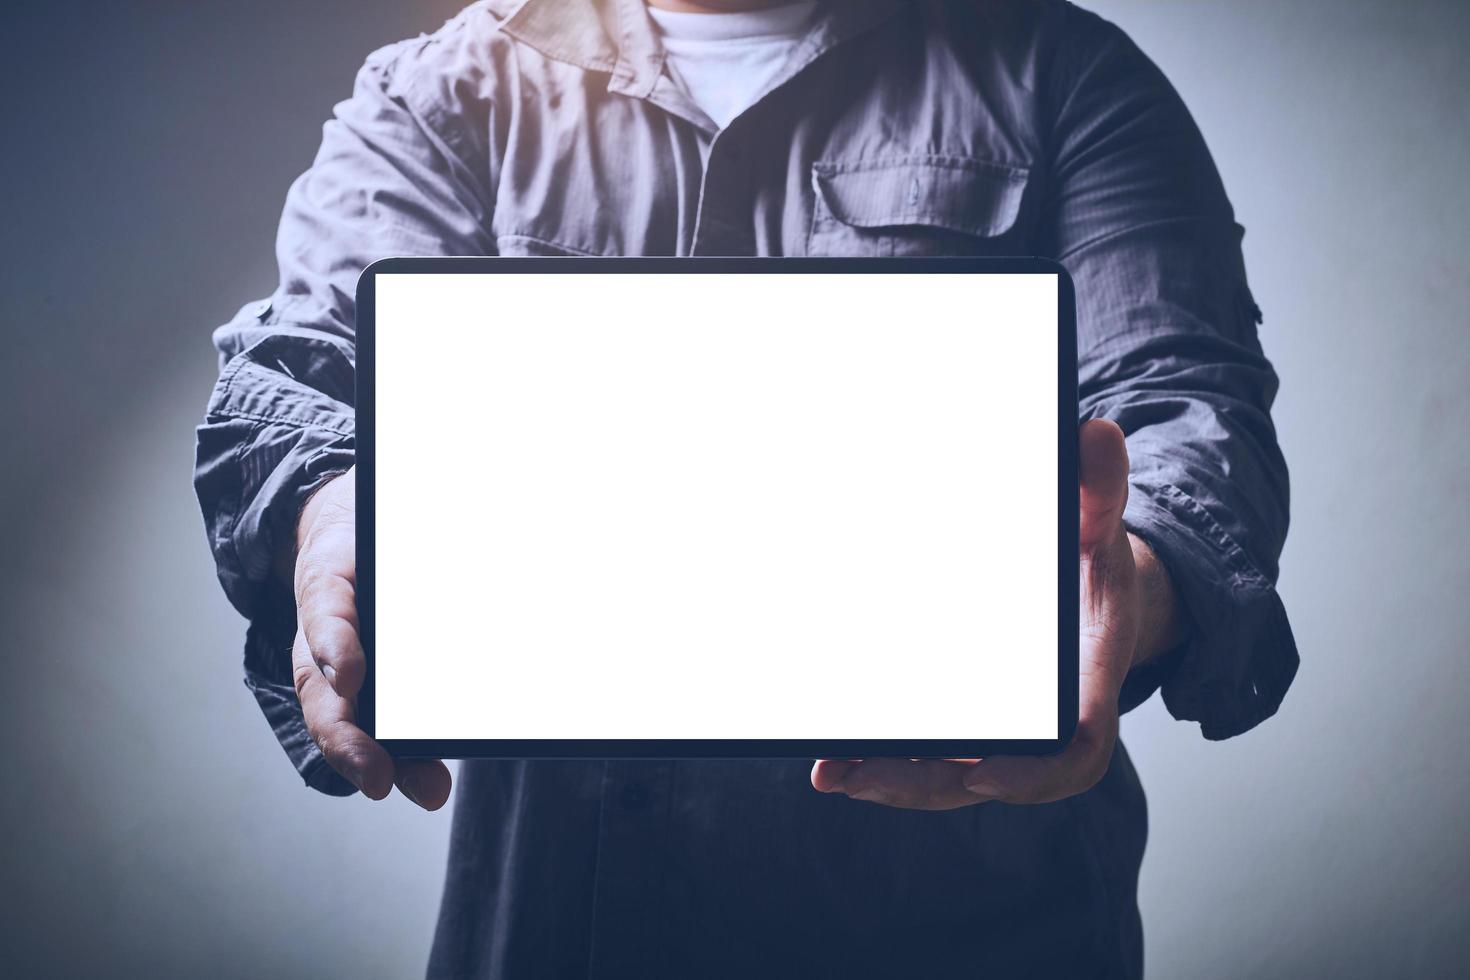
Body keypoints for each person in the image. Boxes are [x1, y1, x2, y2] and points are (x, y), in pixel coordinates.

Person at [193, 0, 1299, 975]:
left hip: (984, 917)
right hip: (570, 920)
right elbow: (304, 375)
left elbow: (1185, 405)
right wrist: (330, 507)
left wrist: (1128, 590)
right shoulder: (439, 90)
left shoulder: (1066, 73)